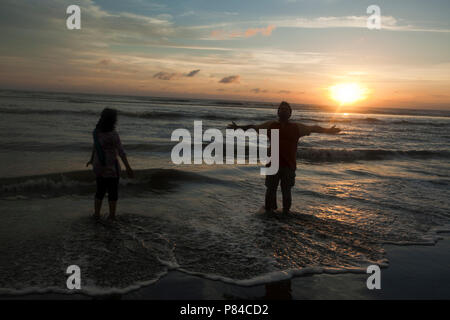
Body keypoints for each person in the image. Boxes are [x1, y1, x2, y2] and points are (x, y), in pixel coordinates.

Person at [227, 101, 340, 214]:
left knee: (286, 191)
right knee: (270, 190)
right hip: (272, 164)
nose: (283, 110)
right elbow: (253, 127)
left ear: (290, 113)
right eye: (281, 108)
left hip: (289, 165)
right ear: (278, 112)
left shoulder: (297, 127)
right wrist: (238, 128)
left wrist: (329, 130)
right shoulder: (270, 125)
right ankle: (269, 213)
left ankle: (286, 213)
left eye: (286, 109)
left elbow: (314, 128)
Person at [86, 108, 134, 220]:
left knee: (100, 191)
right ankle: (112, 216)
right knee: (112, 192)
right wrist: (128, 167)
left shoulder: (96, 132)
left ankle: (96, 214)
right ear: (113, 120)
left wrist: (92, 159)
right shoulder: (113, 135)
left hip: (99, 167)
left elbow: (95, 147)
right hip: (112, 168)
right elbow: (121, 152)